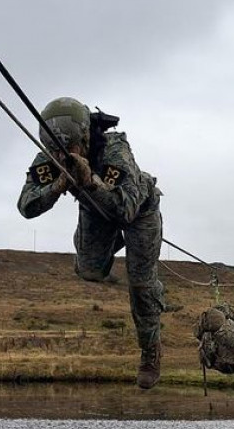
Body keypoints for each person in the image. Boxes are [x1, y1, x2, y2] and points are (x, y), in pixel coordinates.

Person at [17, 97, 165, 389]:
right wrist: (58, 185)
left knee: (140, 283)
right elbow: (26, 206)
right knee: (89, 270)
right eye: (55, 150)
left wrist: (89, 180)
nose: (61, 155)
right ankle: (112, 244)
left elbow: (126, 210)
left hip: (138, 212)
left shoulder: (115, 152)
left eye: (69, 148)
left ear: (85, 137)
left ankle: (150, 351)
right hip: (95, 209)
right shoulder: (51, 157)